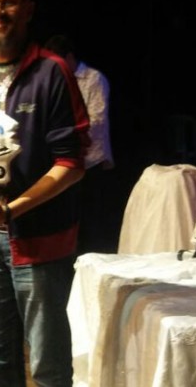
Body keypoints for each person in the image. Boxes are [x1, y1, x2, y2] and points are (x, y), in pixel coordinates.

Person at [0, 0, 90, 386]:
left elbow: (71, 164)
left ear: (27, 10)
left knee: (48, 364)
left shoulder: (52, 72)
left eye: (9, 2)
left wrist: (11, 210)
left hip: (39, 240)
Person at [44, 34, 116, 254]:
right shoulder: (55, 79)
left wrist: (65, 134)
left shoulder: (93, 78)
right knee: (66, 218)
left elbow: (97, 119)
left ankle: (89, 259)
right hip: (63, 159)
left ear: (69, 57)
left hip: (90, 159)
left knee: (90, 219)